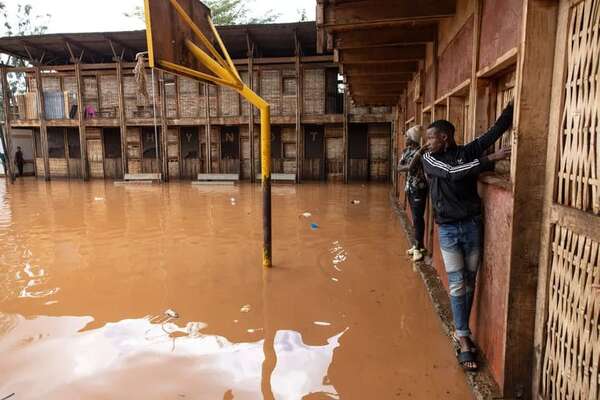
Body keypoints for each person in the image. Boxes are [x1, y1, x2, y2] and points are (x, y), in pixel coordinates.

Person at [421, 101, 514, 371]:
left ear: (444, 137)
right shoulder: (429, 159)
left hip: (472, 225)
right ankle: (462, 336)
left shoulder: (465, 152)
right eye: (426, 138)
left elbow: (494, 132)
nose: (427, 143)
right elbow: (450, 175)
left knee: (470, 281)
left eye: (431, 138)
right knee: (457, 283)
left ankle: (463, 327)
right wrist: (488, 161)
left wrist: (513, 105)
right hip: (448, 228)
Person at [397, 126, 429, 261]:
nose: (405, 139)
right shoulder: (407, 151)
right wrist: (408, 166)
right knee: (416, 218)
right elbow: (399, 168)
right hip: (410, 188)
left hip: (419, 189)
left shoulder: (423, 153)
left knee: (417, 218)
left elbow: (409, 168)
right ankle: (418, 245)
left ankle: (418, 248)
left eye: (407, 137)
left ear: (412, 139)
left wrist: (417, 155)